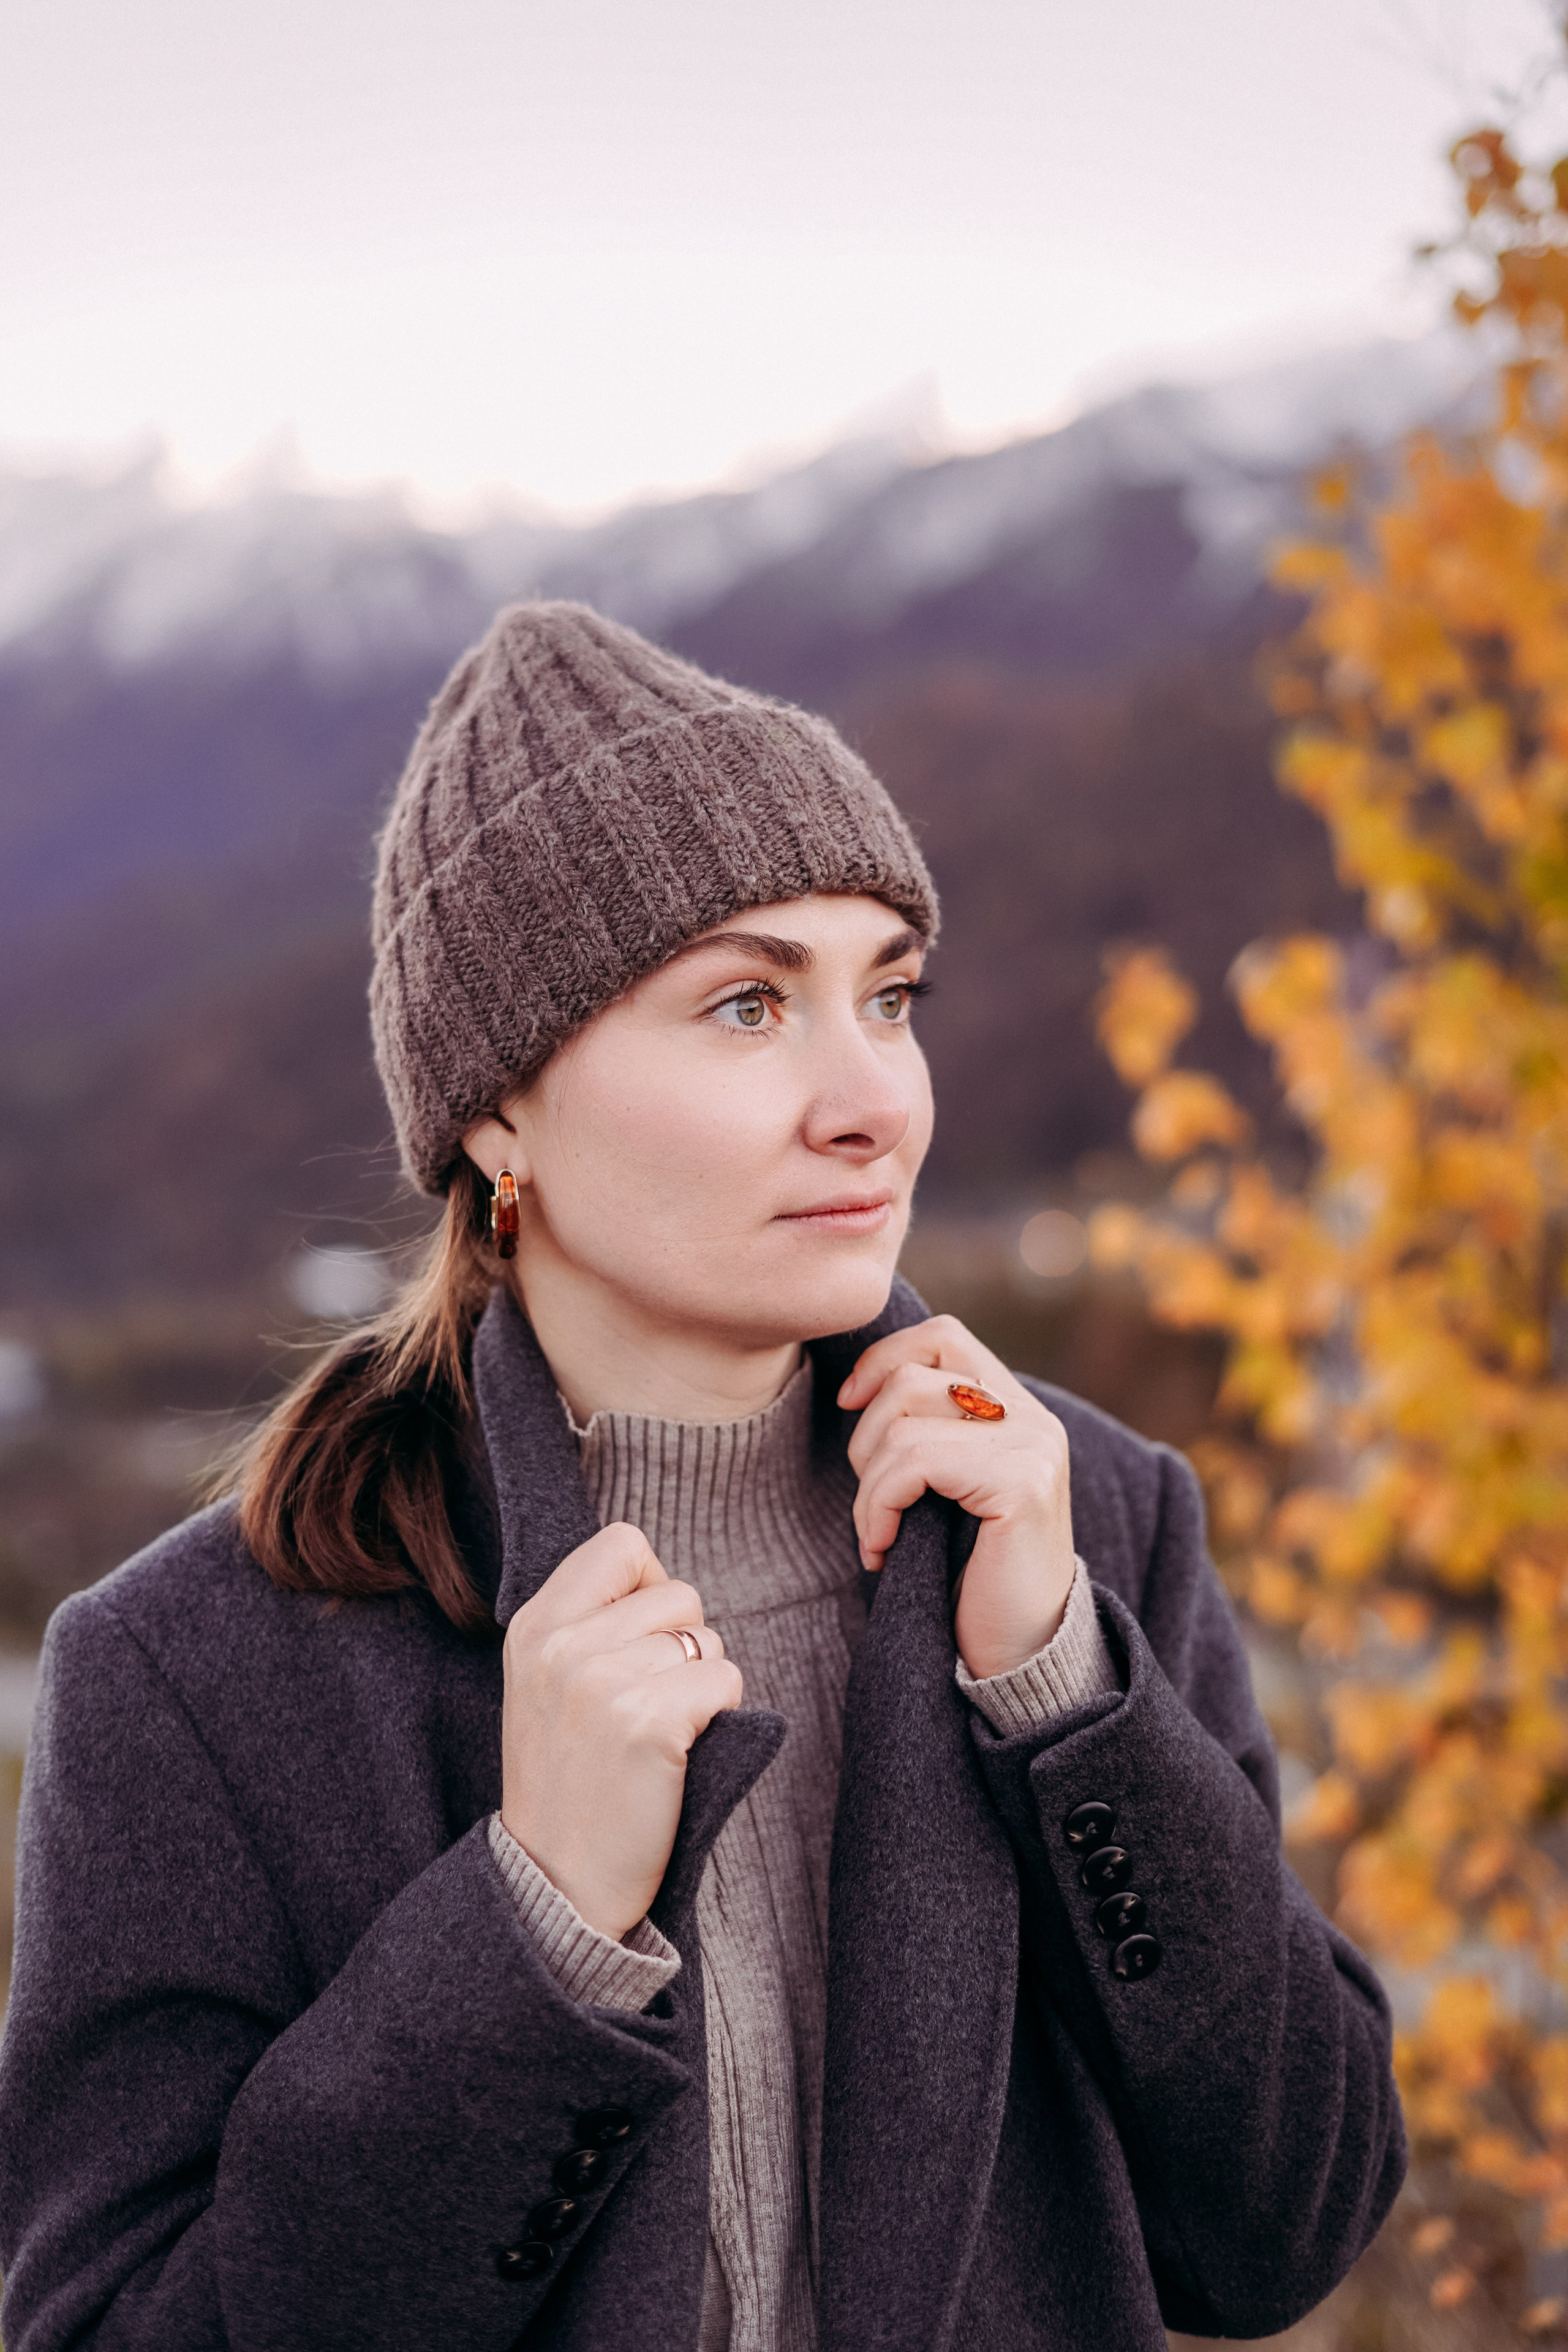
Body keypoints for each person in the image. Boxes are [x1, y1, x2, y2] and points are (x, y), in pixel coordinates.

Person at [0, 604, 1404, 2352]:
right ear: (496, 1114)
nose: (871, 1100)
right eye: (748, 1004)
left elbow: (1288, 2231)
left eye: (890, 997)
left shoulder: (1092, 1524)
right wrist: (536, 1935)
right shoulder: (199, 1674)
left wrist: (1067, 1700)